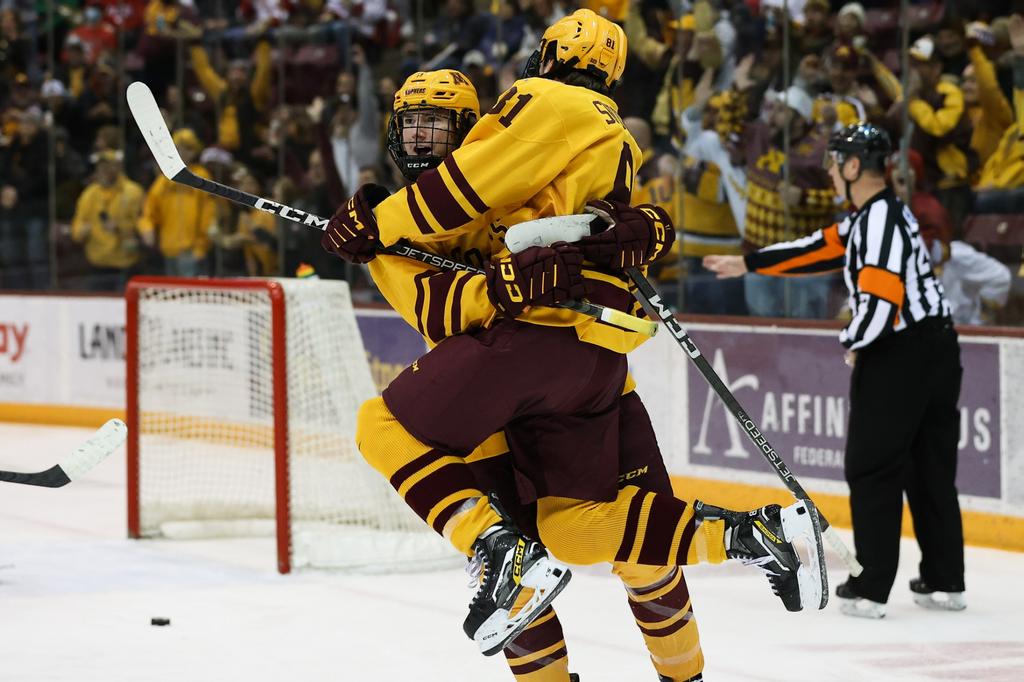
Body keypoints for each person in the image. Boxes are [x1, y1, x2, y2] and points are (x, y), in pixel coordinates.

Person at [323, 8, 824, 662]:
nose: (422, 140)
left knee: (622, 560)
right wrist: (504, 282)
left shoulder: (496, 168)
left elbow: (568, 215)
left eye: (437, 126)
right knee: (568, 544)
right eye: (411, 126)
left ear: (478, 132)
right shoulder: (397, 231)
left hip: (562, 359)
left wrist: (643, 231)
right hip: (504, 405)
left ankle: (507, 557)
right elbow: (436, 313)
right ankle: (752, 536)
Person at [704, 123, 966, 619]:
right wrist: (749, 263)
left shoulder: (879, 219)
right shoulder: (876, 216)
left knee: (872, 467)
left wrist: (856, 340)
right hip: (934, 349)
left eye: (833, 161)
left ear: (852, 167)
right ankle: (944, 579)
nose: (826, 170)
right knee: (930, 467)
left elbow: (882, 294)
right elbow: (816, 248)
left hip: (900, 353)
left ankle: (870, 587)